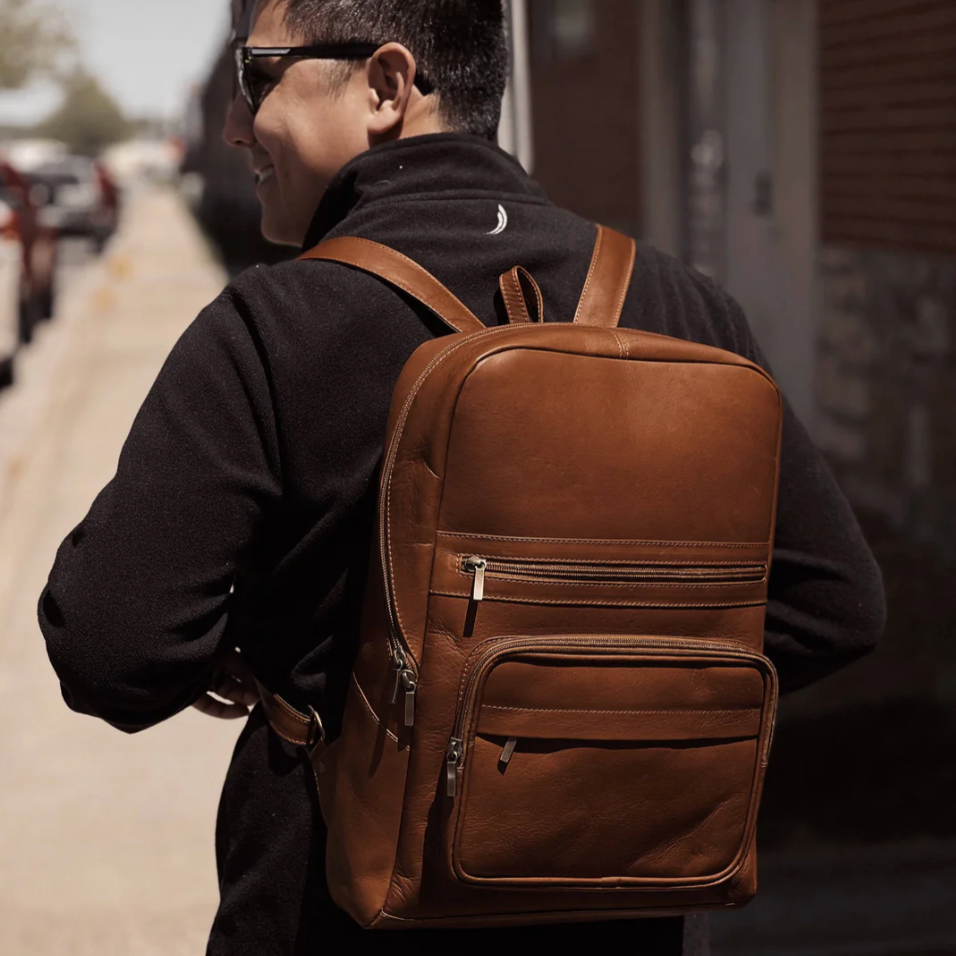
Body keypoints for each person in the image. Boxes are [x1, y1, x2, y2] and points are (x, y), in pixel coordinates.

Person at [37, 1, 887, 953]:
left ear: (388, 86)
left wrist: (240, 642)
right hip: (608, 913)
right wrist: (605, 706)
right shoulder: (683, 306)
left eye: (256, 76)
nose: (237, 125)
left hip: (326, 911)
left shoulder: (271, 327)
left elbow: (109, 644)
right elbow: (836, 604)